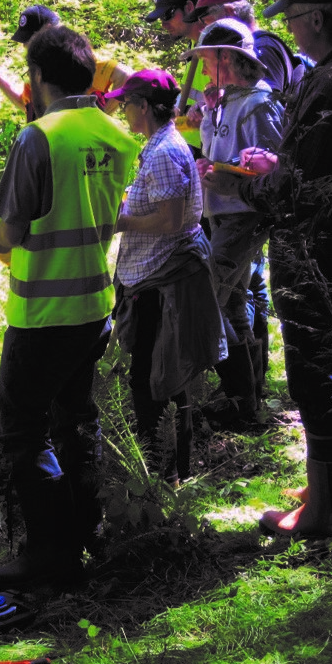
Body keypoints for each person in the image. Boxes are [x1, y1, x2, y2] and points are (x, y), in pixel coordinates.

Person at [205, 0, 332, 538]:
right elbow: (320, 168)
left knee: (316, 378)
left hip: (317, 250)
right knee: (317, 373)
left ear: (316, 17)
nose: (289, 32)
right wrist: (277, 164)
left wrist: (235, 183)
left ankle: (328, 516)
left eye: (291, 20)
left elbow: (301, 191)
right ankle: (323, 488)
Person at [0, 26, 136, 589]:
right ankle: (85, 529)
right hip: (95, 304)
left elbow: (12, 232)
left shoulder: (39, 138)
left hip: (43, 313)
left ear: (38, 76)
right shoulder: (118, 136)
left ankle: (49, 554)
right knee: (77, 417)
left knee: (24, 428)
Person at [106, 70, 226, 484]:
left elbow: (172, 218)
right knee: (163, 378)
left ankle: (162, 475)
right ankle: (170, 471)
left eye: (126, 104)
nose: (123, 111)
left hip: (162, 280)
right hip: (158, 274)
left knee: (155, 380)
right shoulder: (160, 146)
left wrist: (121, 222)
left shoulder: (163, 152)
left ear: (143, 107)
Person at [184, 19, 284, 429]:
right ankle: (245, 400)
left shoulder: (259, 105)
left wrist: (233, 176)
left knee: (208, 295)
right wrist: (209, 116)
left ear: (229, 59)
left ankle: (238, 398)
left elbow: (274, 168)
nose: (205, 70)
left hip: (244, 216)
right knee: (232, 302)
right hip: (221, 211)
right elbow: (216, 149)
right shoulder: (226, 101)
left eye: (208, 61)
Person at [0, 4, 133, 119]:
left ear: (48, 30)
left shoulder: (81, 62)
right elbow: (25, 104)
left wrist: (102, 115)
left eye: (29, 39)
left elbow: (125, 77)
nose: (25, 46)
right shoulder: (39, 71)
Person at [184, 0, 307, 94]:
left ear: (229, 12)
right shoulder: (257, 46)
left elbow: (266, 107)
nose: (203, 28)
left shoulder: (261, 49)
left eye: (204, 20)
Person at [144, 0, 210, 155]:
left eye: (167, 15)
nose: (163, 24)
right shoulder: (194, 44)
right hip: (191, 147)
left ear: (189, 7)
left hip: (208, 151)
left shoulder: (215, 47)